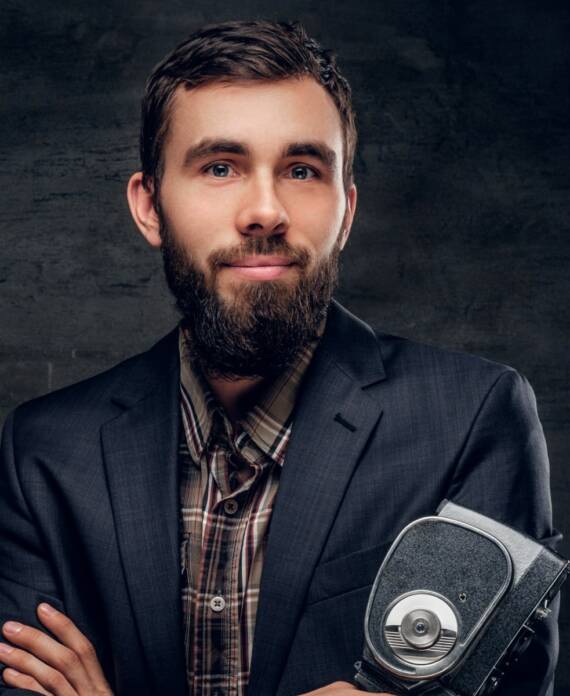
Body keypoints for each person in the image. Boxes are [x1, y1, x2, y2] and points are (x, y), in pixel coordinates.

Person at [0, 19, 560, 696]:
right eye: (219, 167)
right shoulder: (44, 453)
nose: (264, 211)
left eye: (302, 170)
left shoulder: (472, 420)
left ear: (345, 210)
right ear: (150, 206)